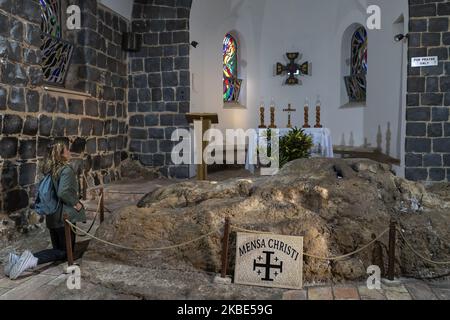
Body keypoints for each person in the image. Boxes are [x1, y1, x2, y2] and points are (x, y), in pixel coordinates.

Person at [4, 142, 86, 280]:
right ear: (61, 154)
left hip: (53, 217)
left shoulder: (52, 169)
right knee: (65, 253)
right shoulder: (66, 170)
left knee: (58, 250)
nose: (69, 152)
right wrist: (76, 203)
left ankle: (16, 259)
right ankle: (32, 260)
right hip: (64, 217)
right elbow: (63, 192)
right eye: (67, 150)